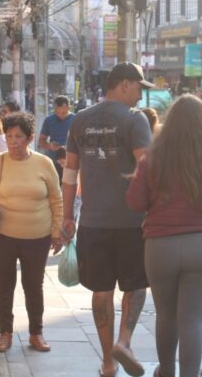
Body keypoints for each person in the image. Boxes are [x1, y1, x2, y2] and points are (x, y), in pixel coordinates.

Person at [126, 95, 202, 377]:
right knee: (191, 317)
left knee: (166, 314)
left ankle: (165, 371)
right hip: (201, 244)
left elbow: (135, 202)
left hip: (160, 245)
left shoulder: (153, 157)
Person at [61, 62, 154, 377]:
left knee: (101, 291)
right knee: (136, 285)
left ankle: (107, 362)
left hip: (92, 222)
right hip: (132, 223)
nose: (140, 96)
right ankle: (124, 341)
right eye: (139, 88)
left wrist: (66, 216)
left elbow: (70, 174)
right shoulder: (134, 120)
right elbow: (148, 169)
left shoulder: (80, 120)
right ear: (125, 85)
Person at [0, 112, 63, 354]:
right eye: (9, 136)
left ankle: (36, 333)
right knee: (3, 285)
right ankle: (5, 334)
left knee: (33, 285)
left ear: (30, 138)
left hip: (38, 237)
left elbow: (56, 199)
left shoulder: (44, 164)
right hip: (1, 235)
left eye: (19, 137)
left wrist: (57, 231)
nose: (13, 142)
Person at [38, 95, 75, 180]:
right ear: (54, 109)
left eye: (64, 113)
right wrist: (49, 146)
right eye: (57, 112)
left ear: (69, 108)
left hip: (71, 162)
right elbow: (41, 141)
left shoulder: (75, 119)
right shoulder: (49, 120)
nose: (60, 115)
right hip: (53, 162)